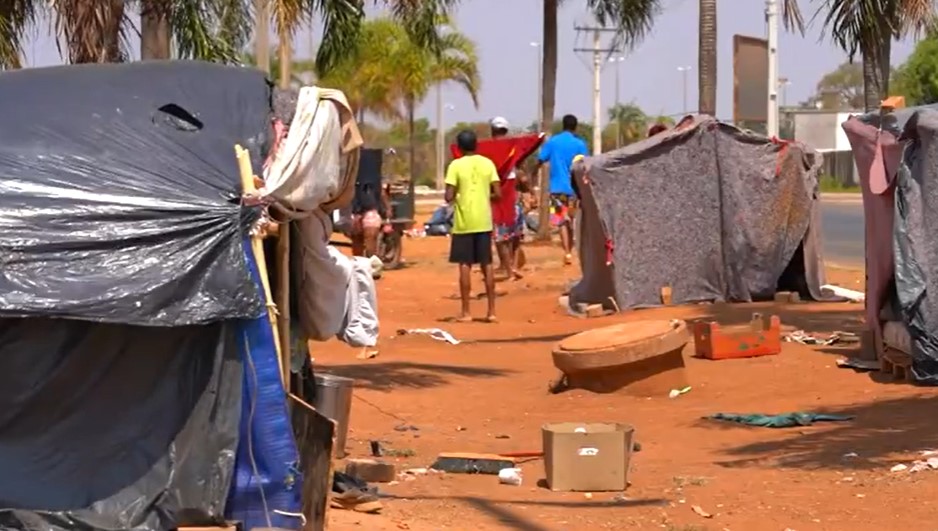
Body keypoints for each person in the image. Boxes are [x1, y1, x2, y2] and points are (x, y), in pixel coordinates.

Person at [445, 129, 501, 322]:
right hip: (484, 221)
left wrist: (459, 195)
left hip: (464, 222)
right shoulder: (488, 164)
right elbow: (498, 193)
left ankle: (466, 311)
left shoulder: (455, 165)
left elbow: (449, 196)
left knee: (465, 265)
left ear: (459, 147)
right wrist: (485, 196)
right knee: (487, 265)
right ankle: (491, 311)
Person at [535, 114, 588, 265]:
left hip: (556, 189)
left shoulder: (553, 142)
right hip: (574, 190)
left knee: (560, 221)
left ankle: (567, 252)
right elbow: (585, 165)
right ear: (575, 126)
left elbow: (540, 159)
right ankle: (571, 249)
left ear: (563, 125)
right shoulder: (579, 144)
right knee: (570, 219)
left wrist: (532, 174)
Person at [489, 116, 525, 280]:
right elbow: (521, 175)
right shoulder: (513, 148)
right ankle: (514, 266)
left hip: (498, 197)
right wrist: (529, 191)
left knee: (500, 237)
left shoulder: (487, 150)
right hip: (512, 196)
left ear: (492, 131)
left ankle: (509, 269)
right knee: (514, 234)